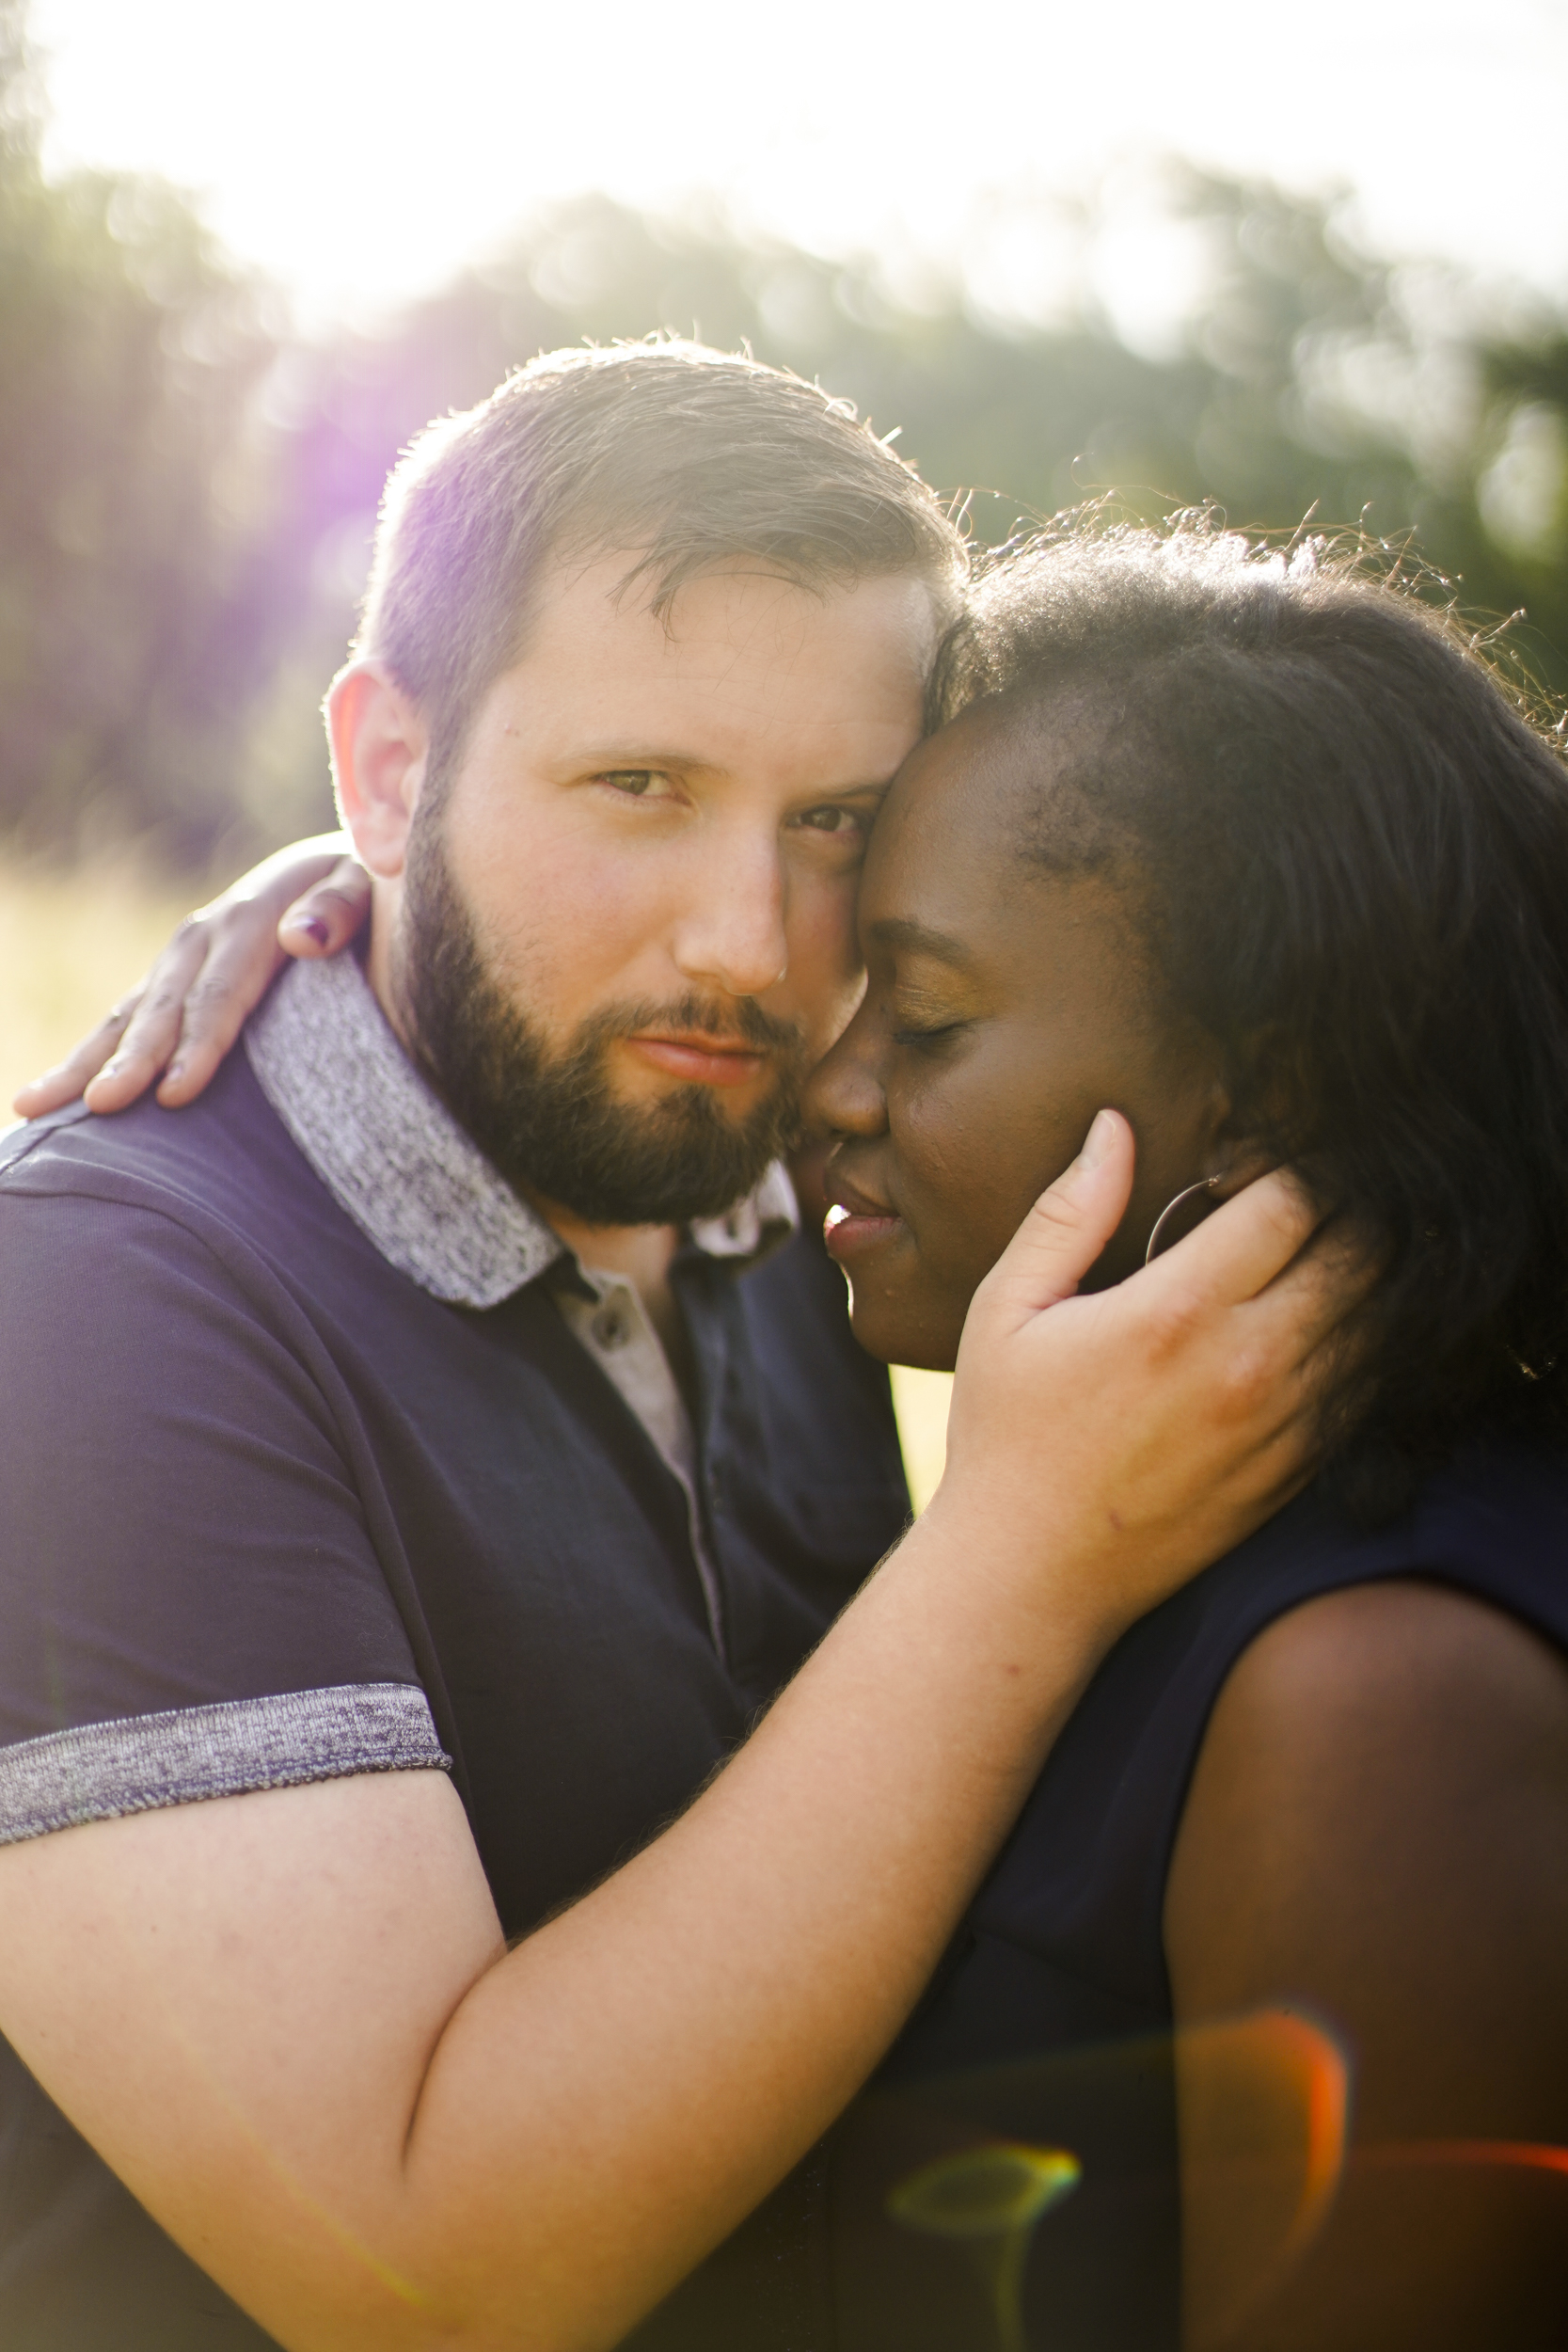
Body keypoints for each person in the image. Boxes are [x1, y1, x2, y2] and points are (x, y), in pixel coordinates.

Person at [87, 516, 1568, 2352]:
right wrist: (384, 882)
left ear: (1268, 1091)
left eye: (922, 1013)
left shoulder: (1379, 1698)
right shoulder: (1150, 1529)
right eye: (846, 981)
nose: (822, 1076)